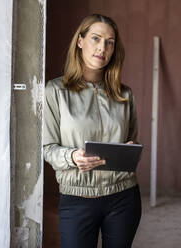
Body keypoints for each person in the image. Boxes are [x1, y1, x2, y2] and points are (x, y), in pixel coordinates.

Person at [43, 14, 141, 248]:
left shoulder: (124, 94)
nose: (102, 48)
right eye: (96, 38)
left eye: (110, 42)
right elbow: (47, 148)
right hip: (77, 199)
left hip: (124, 197)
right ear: (80, 41)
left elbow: (131, 140)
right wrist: (72, 156)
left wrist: (130, 149)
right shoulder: (56, 91)